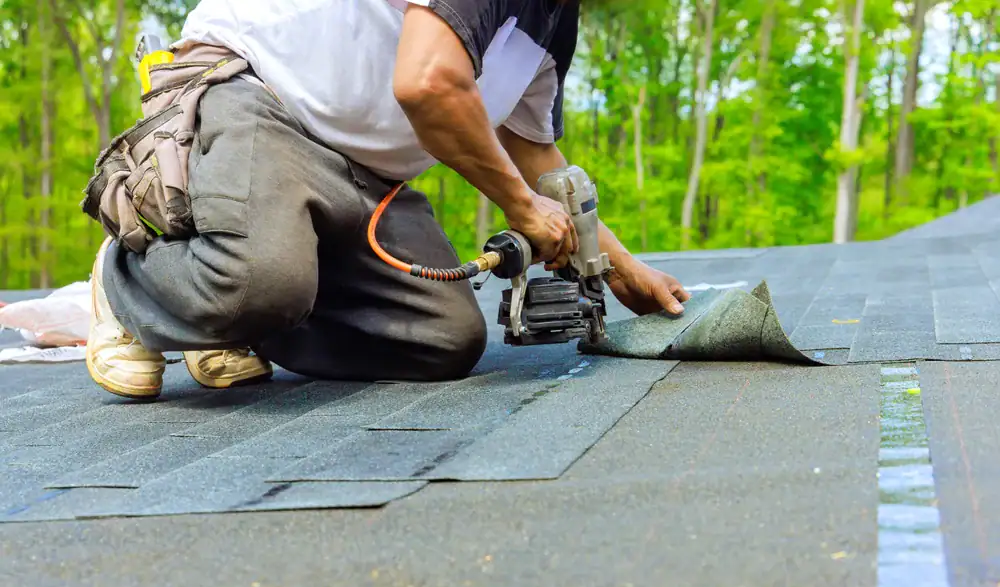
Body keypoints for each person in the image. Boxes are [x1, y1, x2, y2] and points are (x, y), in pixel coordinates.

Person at [87, 0, 691, 400]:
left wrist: (620, 268)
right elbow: (427, 84)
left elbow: (534, 153)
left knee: (441, 338)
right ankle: (128, 280)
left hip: (366, 176)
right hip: (256, 95)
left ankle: (238, 314)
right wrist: (523, 210)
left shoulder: (552, 18)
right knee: (256, 281)